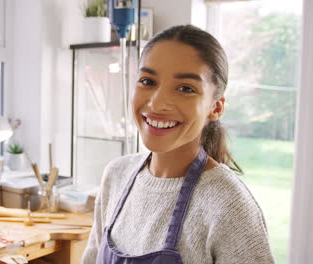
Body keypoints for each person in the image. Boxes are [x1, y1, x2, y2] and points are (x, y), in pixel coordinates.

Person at [81, 25, 275, 264]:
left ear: (216, 107)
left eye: (185, 88)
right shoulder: (116, 175)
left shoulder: (229, 206)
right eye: (147, 81)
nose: (157, 103)